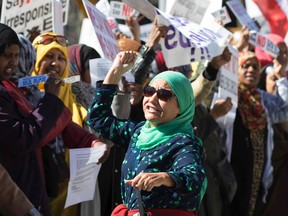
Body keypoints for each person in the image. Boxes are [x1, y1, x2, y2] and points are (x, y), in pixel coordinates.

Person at [0, 25, 108, 216]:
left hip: (49, 194)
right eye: (48, 57)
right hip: (17, 197)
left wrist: (92, 141)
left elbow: (64, 126)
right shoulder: (16, 93)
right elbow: (26, 136)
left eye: (60, 58)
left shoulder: (24, 93)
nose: (14, 63)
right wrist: (51, 99)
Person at [87, 51, 207, 215]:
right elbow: (98, 118)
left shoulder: (183, 142)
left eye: (164, 95)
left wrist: (165, 178)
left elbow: (194, 179)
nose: (152, 99)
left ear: (182, 107)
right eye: (149, 91)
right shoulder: (138, 132)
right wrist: (115, 72)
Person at [224, 51, 288, 216]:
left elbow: (285, 111)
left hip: (256, 175)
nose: (251, 70)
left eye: (255, 67)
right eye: (245, 66)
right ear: (236, 71)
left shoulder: (263, 100)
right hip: (232, 170)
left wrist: (281, 77)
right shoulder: (227, 95)